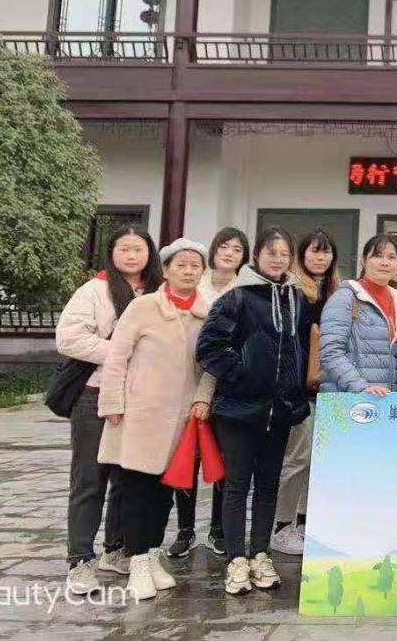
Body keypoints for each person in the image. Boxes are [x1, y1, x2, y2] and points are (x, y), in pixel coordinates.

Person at [97, 238, 216, 600]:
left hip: (182, 419)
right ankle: (136, 561)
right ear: (165, 270)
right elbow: (117, 357)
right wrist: (113, 402)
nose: (188, 271)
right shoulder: (143, 307)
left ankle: (151, 555)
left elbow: (212, 364)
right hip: (139, 415)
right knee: (137, 490)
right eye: (181, 264)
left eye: (195, 265)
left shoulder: (208, 312)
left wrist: (203, 397)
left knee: (166, 492)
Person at [197, 227, 311, 596]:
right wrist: (241, 376)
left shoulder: (297, 298)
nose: (278, 259)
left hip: (280, 410)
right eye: (271, 252)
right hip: (239, 409)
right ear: (257, 256)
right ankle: (236, 559)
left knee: (268, 484)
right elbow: (209, 347)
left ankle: (260, 553)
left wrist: (293, 388)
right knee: (236, 484)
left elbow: (301, 349)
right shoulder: (236, 297)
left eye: (284, 253)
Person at [57, 225, 162, 596]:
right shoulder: (94, 290)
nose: (131, 256)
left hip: (142, 400)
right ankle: (79, 560)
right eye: (124, 249)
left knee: (127, 477)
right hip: (94, 395)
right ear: (111, 253)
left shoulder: (158, 293)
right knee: (89, 478)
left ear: (150, 253)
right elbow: (69, 337)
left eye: (138, 249)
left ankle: (115, 550)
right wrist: (122, 352)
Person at [169, 226, 248, 560]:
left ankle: (218, 530)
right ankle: (185, 531)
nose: (229, 254)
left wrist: (206, 391)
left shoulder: (244, 292)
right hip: (183, 382)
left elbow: (226, 350)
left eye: (237, 249)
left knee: (222, 462)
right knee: (187, 459)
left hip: (224, 386)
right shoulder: (192, 285)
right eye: (224, 247)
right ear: (213, 251)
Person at [272, 229, 342, 557]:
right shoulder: (292, 291)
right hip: (298, 388)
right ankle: (281, 525)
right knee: (297, 458)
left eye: (326, 252)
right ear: (302, 255)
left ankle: (304, 521)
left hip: (327, 388)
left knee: (317, 459)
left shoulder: (337, 294)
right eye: (314, 251)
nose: (320, 257)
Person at [320, 234, 397, 396]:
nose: (385, 262)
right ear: (363, 260)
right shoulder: (345, 297)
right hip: (351, 399)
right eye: (378, 255)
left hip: (389, 400)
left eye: (391, 257)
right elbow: (330, 352)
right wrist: (360, 387)